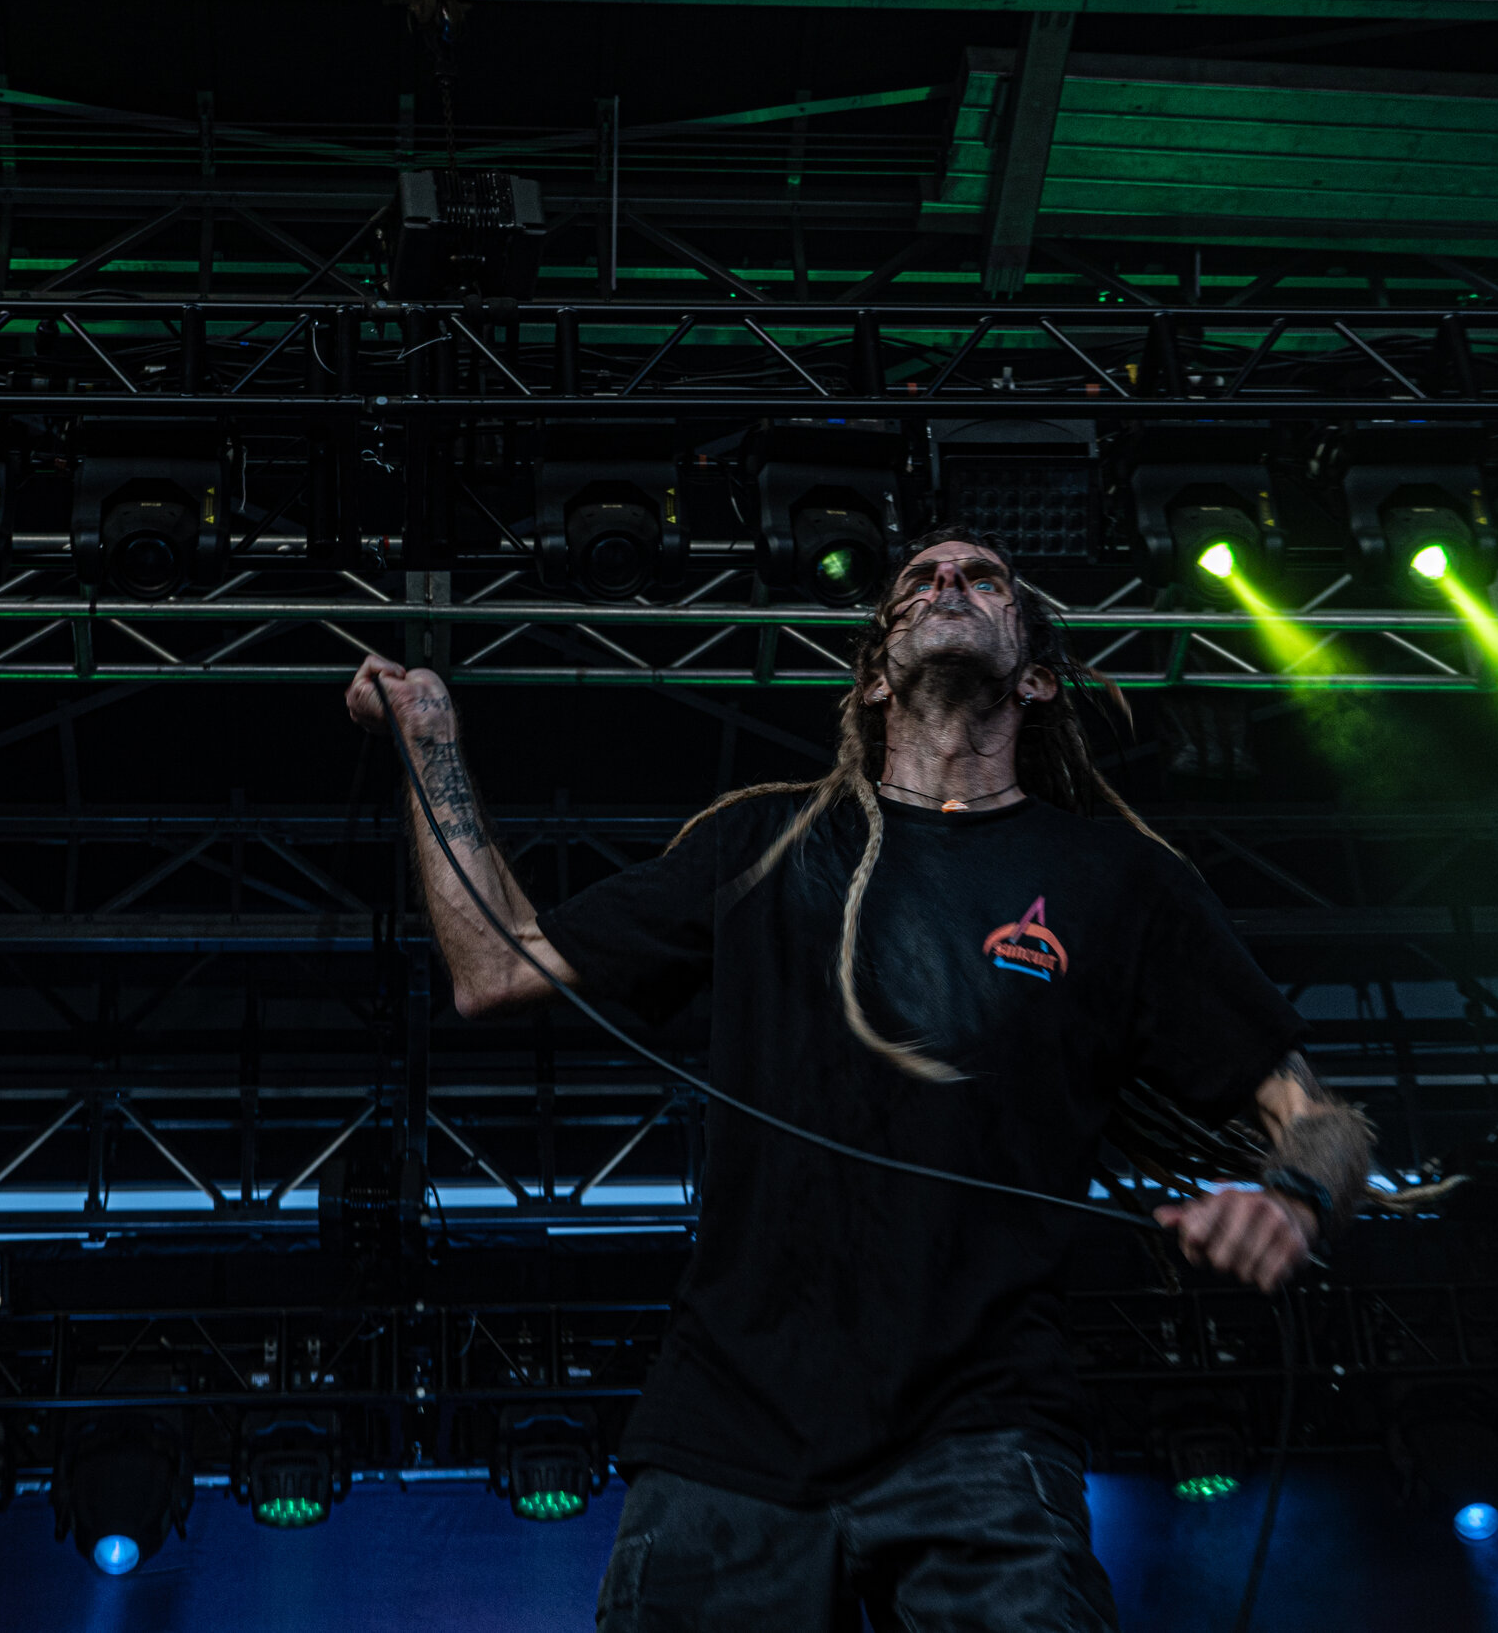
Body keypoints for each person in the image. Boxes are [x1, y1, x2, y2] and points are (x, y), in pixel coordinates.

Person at [345, 528, 1380, 1633]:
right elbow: (494, 966)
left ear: (1032, 671)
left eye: (982, 578)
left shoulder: (1120, 881)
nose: (946, 582)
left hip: (983, 1427)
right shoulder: (765, 839)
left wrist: (1294, 1198)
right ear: (877, 671)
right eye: (918, 580)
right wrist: (430, 737)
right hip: (727, 1430)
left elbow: (1321, 1119)